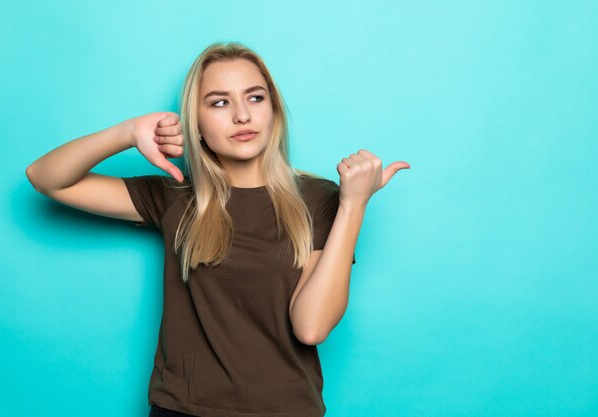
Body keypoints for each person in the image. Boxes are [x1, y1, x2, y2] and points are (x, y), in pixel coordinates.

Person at [25, 41, 410, 417]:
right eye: (219, 102)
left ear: (274, 110)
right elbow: (46, 178)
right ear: (197, 124)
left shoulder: (321, 199)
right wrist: (128, 132)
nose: (242, 116)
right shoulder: (176, 196)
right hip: (182, 409)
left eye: (255, 98)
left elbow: (310, 327)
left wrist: (353, 205)